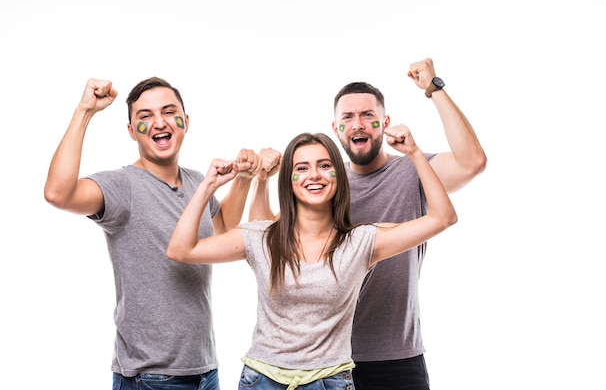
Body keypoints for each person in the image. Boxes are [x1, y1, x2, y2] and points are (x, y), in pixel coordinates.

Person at [166, 132, 457, 390]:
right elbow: (181, 250)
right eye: (301, 168)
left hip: (330, 381)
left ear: (338, 176)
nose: (313, 175)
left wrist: (415, 154)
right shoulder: (262, 237)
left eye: (324, 165)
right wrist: (208, 186)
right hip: (263, 381)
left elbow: (443, 217)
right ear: (289, 181)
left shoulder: (362, 241)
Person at [43, 77, 265, 390]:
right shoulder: (123, 187)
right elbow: (57, 193)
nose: (159, 122)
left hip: (205, 370)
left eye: (168, 112)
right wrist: (85, 111)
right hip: (151, 377)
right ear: (132, 131)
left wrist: (242, 179)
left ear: (185, 122)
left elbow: (222, 229)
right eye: (145, 116)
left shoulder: (195, 181)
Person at [331, 58, 487, 390]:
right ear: (336, 129)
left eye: (368, 115)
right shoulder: (325, 184)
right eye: (348, 117)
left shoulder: (411, 170)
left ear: (384, 122)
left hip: (399, 360)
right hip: (329, 359)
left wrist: (435, 88)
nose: (358, 124)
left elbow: (472, 162)